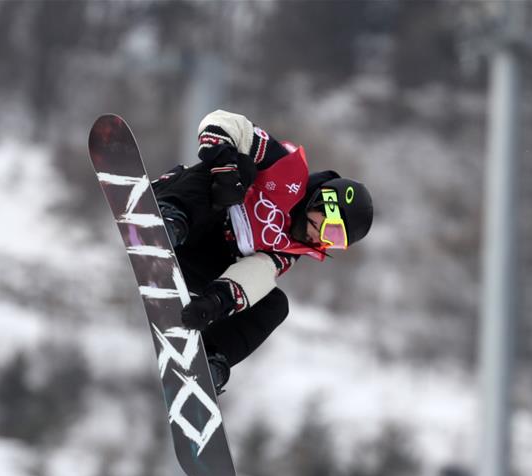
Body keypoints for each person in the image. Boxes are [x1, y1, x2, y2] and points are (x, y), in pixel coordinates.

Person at [152, 109, 375, 393]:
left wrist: (216, 302)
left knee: (275, 304)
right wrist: (224, 166)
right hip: (191, 209)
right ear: (325, 203)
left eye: (336, 243)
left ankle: (209, 360)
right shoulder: (284, 169)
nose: (323, 240)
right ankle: (170, 219)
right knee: (241, 171)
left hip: (195, 259)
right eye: (331, 231)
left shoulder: (291, 249)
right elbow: (225, 123)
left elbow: (256, 273)